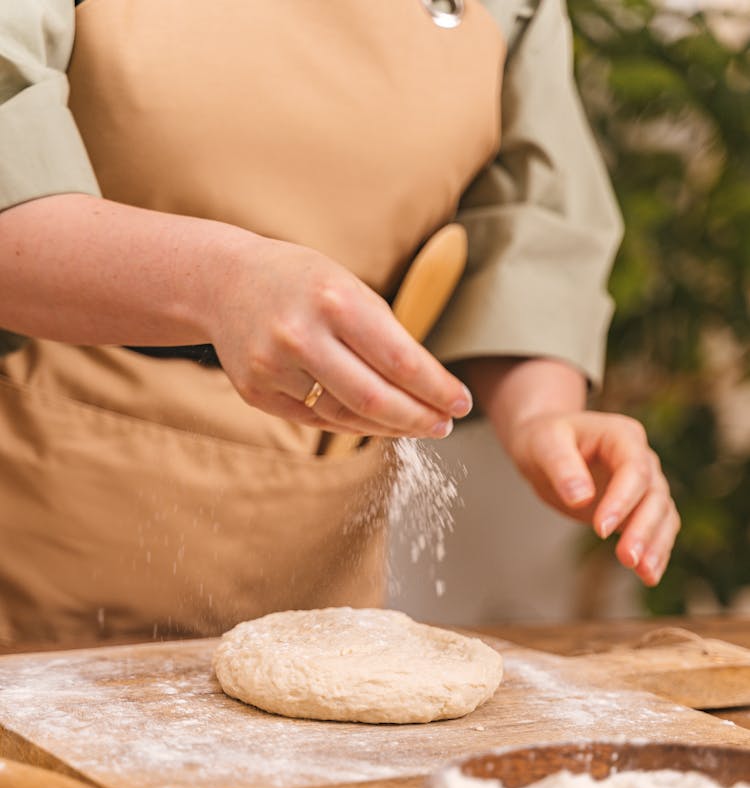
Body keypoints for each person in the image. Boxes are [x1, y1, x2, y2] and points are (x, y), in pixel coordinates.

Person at [0, 0, 679, 651]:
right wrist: (219, 283)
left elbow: (529, 226)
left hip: (320, 546)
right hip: (37, 519)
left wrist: (541, 418)